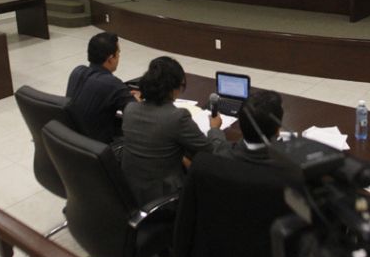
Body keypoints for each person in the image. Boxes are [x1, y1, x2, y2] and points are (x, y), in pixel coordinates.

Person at [120, 56, 226, 205]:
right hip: (163, 198)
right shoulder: (177, 117)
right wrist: (215, 129)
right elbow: (211, 152)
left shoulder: (130, 109)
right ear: (173, 88)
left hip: (129, 190)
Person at [64, 32, 137, 144]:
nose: (119, 57)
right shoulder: (113, 84)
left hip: (71, 142)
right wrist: (137, 99)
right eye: (118, 53)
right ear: (111, 58)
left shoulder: (77, 71)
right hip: (97, 148)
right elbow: (138, 115)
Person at [217, 90, 284, 165]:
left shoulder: (222, 153)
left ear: (240, 125)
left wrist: (215, 129)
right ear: (277, 131)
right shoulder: (288, 165)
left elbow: (215, 144)